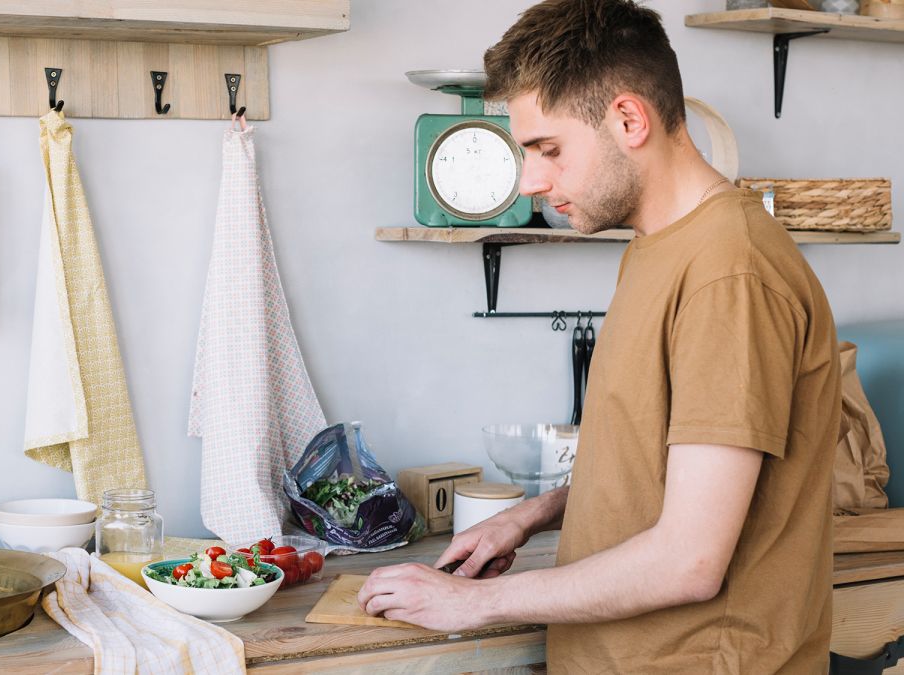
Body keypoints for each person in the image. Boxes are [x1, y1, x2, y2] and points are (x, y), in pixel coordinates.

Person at [357, 1, 842, 672]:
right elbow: (657, 465)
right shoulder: (661, 246)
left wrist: (471, 604)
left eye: (547, 149)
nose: (530, 181)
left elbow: (690, 560)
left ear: (628, 119)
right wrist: (533, 513)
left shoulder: (732, 274)